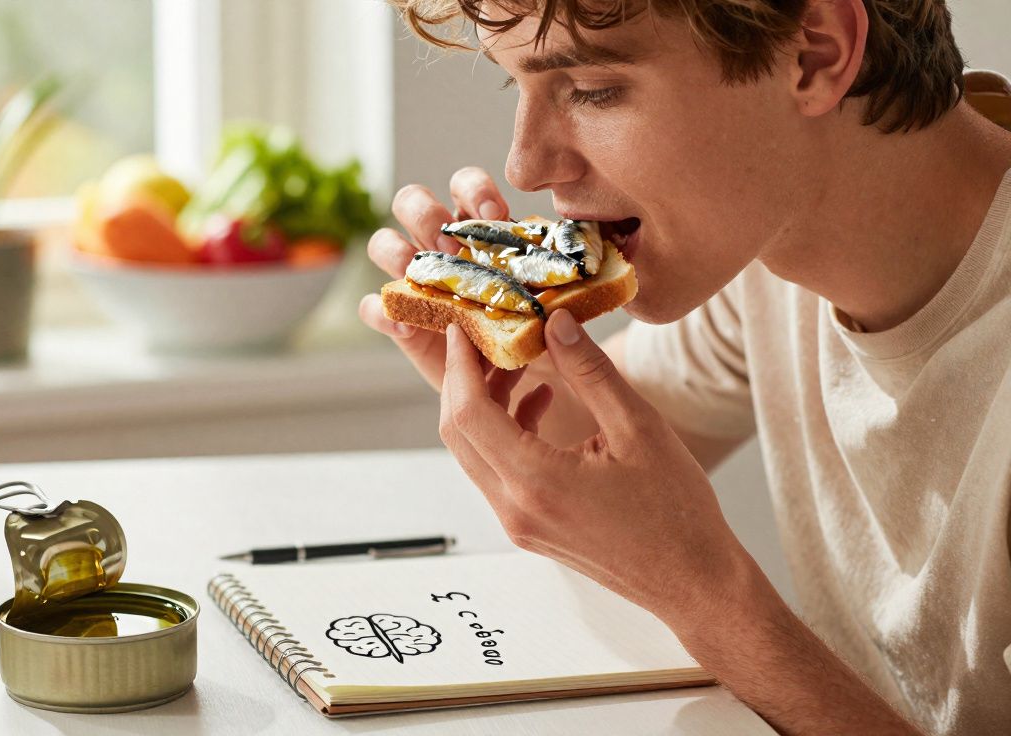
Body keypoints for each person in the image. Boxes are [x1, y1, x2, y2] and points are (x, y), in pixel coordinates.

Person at [359, 1, 1011, 734]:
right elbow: (610, 451)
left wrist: (707, 596)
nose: (526, 166)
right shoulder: (773, 251)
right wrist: (508, 362)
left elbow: (673, 554)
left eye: (592, 88)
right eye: (518, 85)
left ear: (816, 55)